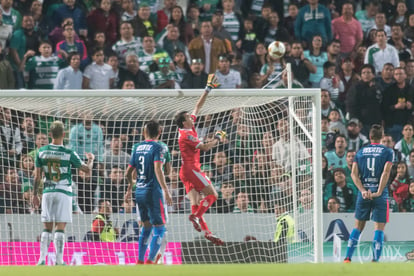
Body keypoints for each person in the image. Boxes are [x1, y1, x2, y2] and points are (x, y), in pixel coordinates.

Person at [32, 120, 94, 265]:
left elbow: (37, 176)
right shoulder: (68, 152)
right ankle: (59, 260)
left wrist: (35, 195)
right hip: (64, 192)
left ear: (50, 134)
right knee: (60, 227)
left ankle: (41, 259)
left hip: (47, 192)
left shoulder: (41, 151)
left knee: (46, 227)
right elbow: (86, 170)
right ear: (64, 134)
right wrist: (91, 160)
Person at [174, 74, 226, 245]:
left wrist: (208, 88)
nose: (192, 117)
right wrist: (218, 138)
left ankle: (207, 233)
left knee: (196, 204)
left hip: (185, 171)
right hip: (191, 169)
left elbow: (197, 107)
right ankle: (196, 217)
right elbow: (204, 147)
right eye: (188, 117)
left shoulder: (188, 127)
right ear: (183, 122)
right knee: (213, 195)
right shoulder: (187, 134)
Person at [124, 120, 172, 264]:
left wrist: (129, 188)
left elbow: (129, 174)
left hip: (139, 191)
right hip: (154, 191)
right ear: (160, 132)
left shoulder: (136, 147)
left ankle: (139, 260)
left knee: (145, 227)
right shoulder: (161, 147)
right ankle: (151, 261)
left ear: (144, 132)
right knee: (160, 227)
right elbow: (164, 170)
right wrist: (166, 190)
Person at [344, 124, 394, 263]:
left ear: (370, 137)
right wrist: (378, 191)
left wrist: (363, 190)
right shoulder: (388, 151)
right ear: (382, 136)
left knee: (358, 226)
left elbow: (354, 174)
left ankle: (348, 258)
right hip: (380, 194)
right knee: (379, 228)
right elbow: (386, 172)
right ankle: (375, 261)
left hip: (364, 193)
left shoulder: (360, 152)